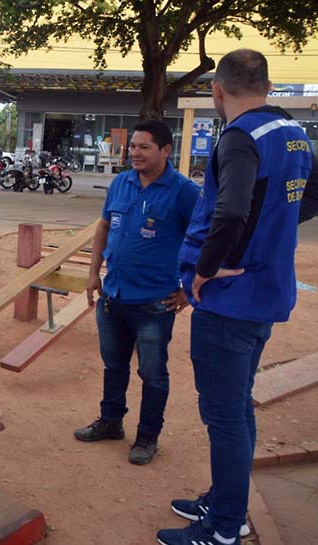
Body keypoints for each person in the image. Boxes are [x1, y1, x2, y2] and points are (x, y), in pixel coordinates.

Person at [157, 49, 318, 545]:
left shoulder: (239, 137)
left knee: (224, 416)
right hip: (264, 293)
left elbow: (229, 213)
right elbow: (308, 198)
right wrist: (269, 235)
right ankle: (226, 501)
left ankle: (225, 528)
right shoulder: (294, 132)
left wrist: (207, 270)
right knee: (238, 407)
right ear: (268, 86)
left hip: (229, 300)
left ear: (217, 90)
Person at [75, 120, 200, 465]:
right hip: (112, 298)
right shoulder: (121, 183)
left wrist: (188, 289)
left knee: (152, 373)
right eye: (133, 146)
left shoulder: (183, 191)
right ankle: (111, 422)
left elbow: (205, 238)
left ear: (164, 151)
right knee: (114, 366)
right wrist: (92, 273)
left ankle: (147, 436)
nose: (135, 153)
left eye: (144, 147)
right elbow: (103, 227)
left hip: (154, 304)